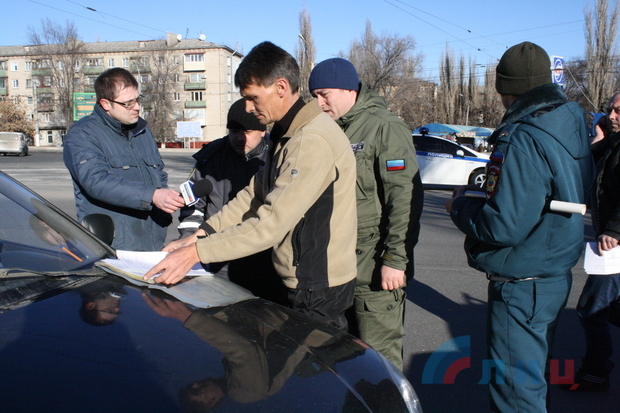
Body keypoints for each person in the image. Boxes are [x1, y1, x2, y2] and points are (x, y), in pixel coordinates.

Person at [144, 41, 358, 331]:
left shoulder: (310, 140)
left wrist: (195, 255)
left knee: (311, 372)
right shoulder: (288, 133)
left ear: (281, 87)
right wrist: (199, 236)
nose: (247, 107)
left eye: (253, 97)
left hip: (317, 285)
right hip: (304, 279)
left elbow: (269, 223)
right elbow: (253, 196)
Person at [444, 42, 594, 412]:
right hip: (553, 272)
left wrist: (460, 206)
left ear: (506, 90)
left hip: (523, 282)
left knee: (516, 396)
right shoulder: (569, 122)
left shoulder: (524, 136)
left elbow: (504, 225)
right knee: (529, 382)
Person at [308, 58, 423, 370]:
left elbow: (404, 199)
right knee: (346, 363)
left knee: (380, 365)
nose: (319, 103)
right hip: (337, 269)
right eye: (314, 96)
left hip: (374, 270)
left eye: (324, 94)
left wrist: (395, 260)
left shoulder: (384, 128)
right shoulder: (329, 130)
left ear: (349, 89)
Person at [177, 98, 286, 304]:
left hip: (263, 265)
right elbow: (191, 208)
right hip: (216, 262)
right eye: (234, 131)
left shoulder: (277, 157)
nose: (240, 138)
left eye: (248, 132)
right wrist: (189, 244)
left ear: (263, 131)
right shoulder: (209, 158)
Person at [63, 67, 184, 251]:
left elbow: (158, 173)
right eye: (128, 103)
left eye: (137, 100)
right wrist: (152, 195)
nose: (136, 107)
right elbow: (96, 181)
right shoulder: (83, 134)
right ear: (105, 104)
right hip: (112, 246)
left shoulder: (142, 131)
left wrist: (164, 204)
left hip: (152, 242)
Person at [562, 92, 620, 392]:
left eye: (618, 111)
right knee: (610, 308)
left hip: (614, 246)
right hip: (610, 242)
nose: (611, 116)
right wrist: (598, 140)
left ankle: (596, 372)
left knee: (591, 307)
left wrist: (615, 229)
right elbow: (588, 175)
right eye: (609, 110)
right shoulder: (614, 142)